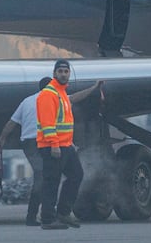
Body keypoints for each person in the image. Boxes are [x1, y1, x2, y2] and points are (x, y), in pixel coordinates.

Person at [36, 59, 102, 230]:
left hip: (66, 146)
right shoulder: (48, 95)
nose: (63, 74)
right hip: (53, 147)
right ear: (54, 74)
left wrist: (94, 88)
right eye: (60, 71)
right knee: (52, 181)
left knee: (76, 175)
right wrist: (54, 145)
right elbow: (47, 123)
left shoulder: (62, 94)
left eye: (66, 71)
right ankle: (48, 219)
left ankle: (63, 212)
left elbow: (75, 98)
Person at [0, 77, 52, 226]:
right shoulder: (54, 99)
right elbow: (75, 99)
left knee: (44, 176)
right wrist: (94, 88)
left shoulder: (26, 101)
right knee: (45, 177)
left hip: (29, 143)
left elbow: (12, 122)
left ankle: (36, 216)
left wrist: (2, 138)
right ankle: (37, 216)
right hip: (42, 141)